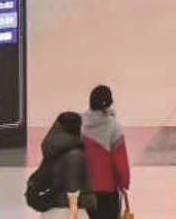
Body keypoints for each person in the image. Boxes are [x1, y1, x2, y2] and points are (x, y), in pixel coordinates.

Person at [81, 84, 132, 219]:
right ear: (109, 103)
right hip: (107, 187)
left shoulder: (80, 124)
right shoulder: (113, 126)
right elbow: (119, 159)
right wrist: (124, 182)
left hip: (85, 187)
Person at [29, 112, 90, 219]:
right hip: (78, 209)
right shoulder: (83, 152)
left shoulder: (53, 152)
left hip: (54, 208)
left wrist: (37, 201)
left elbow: (38, 181)